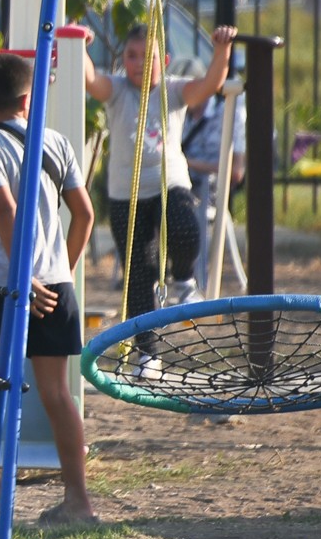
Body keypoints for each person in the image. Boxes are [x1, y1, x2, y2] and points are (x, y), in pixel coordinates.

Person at [0, 53, 98, 527]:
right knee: (56, 393)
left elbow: (5, 210)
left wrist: (25, 279)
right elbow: (84, 216)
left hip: (7, 284)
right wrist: (57, 273)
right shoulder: (58, 142)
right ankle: (79, 503)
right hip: (57, 285)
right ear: (29, 98)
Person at [82, 23, 237, 330]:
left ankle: (183, 282)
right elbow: (91, 80)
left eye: (147, 56)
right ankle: (146, 353)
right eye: (131, 56)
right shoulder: (117, 90)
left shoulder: (173, 90)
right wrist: (80, 48)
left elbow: (208, 85)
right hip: (126, 194)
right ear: (122, 60)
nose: (139, 63)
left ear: (163, 61)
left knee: (184, 228)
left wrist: (222, 50)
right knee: (139, 274)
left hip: (169, 184)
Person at [182, 84, 247, 293]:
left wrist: (187, 163)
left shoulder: (230, 111)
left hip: (209, 191)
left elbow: (236, 172)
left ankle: (194, 283)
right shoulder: (179, 112)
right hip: (179, 184)